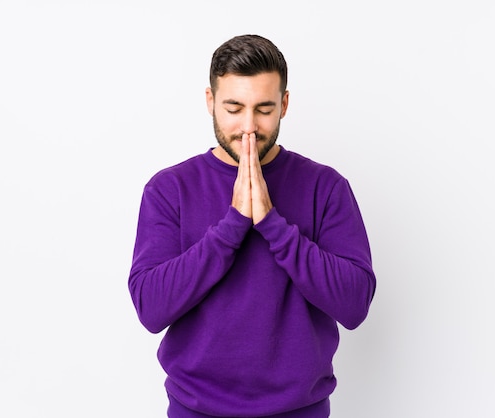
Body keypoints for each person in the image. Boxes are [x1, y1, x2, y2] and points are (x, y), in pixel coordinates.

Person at [128, 34, 376, 418]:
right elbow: (151, 309)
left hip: (300, 410)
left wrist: (274, 225)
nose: (248, 126)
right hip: (196, 410)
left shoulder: (325, 187)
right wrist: (233, 226)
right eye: (233, 108)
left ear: (284, 105)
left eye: (263, 109)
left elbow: (355, 304)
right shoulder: (169, 189)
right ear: (210, 102)